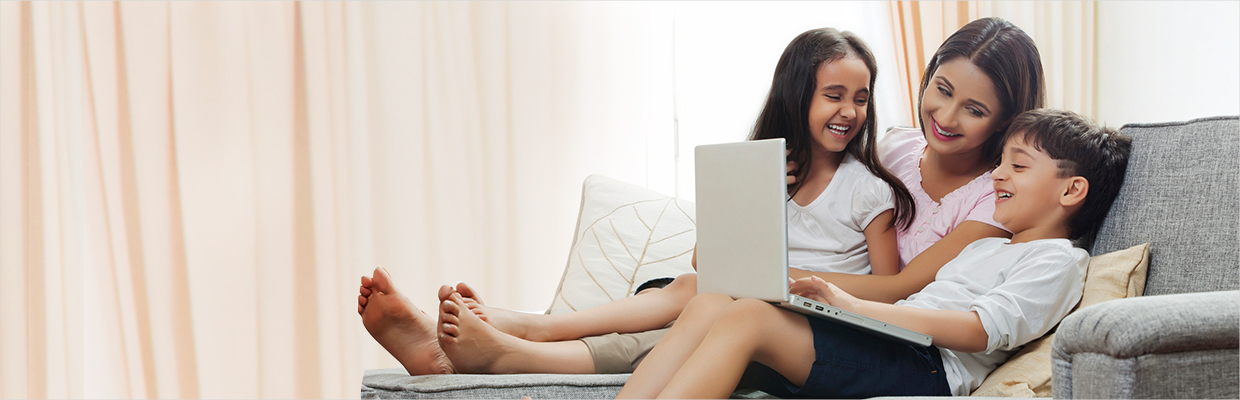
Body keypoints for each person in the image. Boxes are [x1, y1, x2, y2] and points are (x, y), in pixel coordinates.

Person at [365, 16, 1046, 376]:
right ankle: (465, 347)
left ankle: (521, 340)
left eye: (975, 111)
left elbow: (899, 286)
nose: (946, 119)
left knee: (708, 303)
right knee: (696, 291)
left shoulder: (997, 198)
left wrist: (796, 285)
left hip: (861, 322)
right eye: (942, 90)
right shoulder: (894, 148)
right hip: (770, 289)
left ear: (1009, 118)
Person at [615, 108, 1133, 398]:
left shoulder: (1058, 259)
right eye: (1000, 162)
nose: (996, 174)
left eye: (1017, 167)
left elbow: (979, 329)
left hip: (928, 365)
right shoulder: (990, 246)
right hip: (891, 341)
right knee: (712, 303)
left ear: (1072, 191)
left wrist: (854, 306)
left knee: (749, 317)